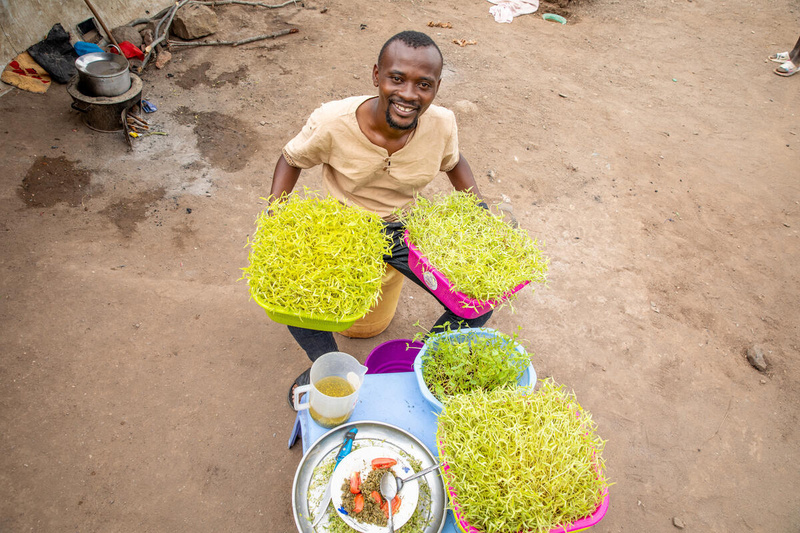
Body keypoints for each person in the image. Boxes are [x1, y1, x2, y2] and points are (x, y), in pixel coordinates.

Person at [268, 30, 493, 408]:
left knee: (479, 300)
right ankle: (328, 365)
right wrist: (274, 215)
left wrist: (481, 212)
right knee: (287, 291)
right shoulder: (333, 121)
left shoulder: (442, 124)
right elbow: (291, 159)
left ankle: (421, 362)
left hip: (406, 229)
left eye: (424, 84)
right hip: (339, 228)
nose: (409, 94)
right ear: (377, 76)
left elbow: (455, 164)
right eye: (397, 78)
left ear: (436, 88)